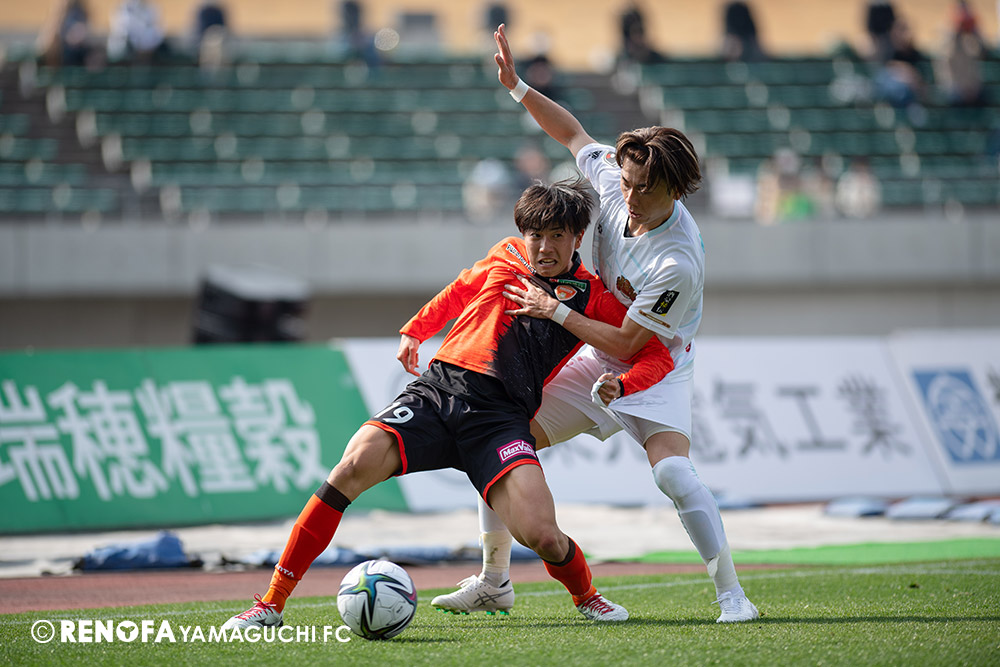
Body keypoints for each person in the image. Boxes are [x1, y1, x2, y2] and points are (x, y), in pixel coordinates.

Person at [221, 180, 679, 629]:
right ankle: (271, 603)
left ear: (577, 237)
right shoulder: (507, 254)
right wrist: (416, 329)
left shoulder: (591, 294)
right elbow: (461, 288)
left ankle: (587, 597)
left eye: (557, 235)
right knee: (351, 465)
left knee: (543, 535)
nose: (544, 247)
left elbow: (655, 354)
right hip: (438, 393)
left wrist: (623, 383)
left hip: (500, 420)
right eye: (535, 234)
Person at [430, 23, 760, 624]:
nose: (629, 196)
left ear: (677, 191)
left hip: (655, 366)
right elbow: (573, 134)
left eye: (645, 190)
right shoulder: (616, 180)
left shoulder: (676, 262)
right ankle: (494, 582)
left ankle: (733, 596)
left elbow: (630, 342)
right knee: (501, 439)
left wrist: (556, 311)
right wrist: (517, 87)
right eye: (627, 183)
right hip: (596, 353)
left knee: (674, 475)